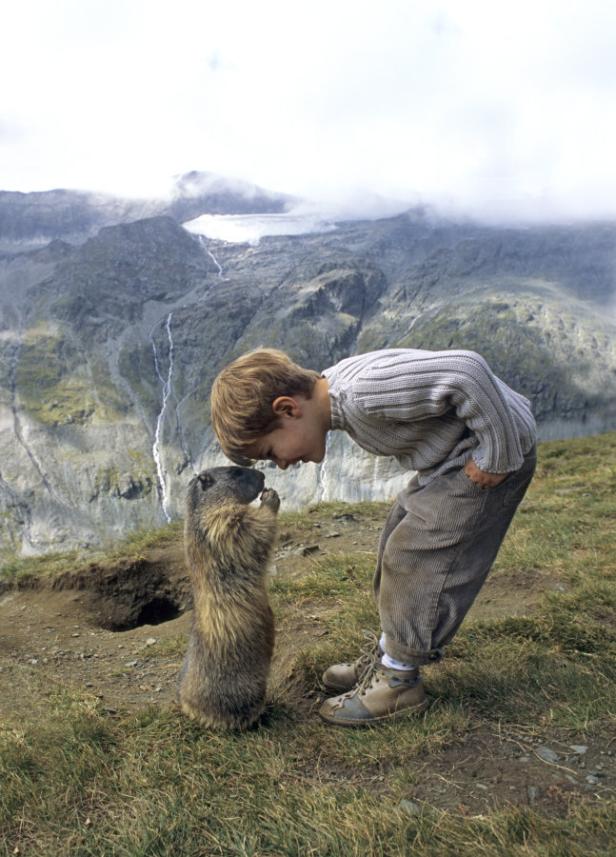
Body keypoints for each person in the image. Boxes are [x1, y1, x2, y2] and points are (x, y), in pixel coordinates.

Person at [210, 347, 537, 727]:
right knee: (394, 541)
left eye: (271, 452)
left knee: (413, 559)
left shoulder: (364, 393)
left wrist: (496, 453)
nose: (281, 464)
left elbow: (466, 369)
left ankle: (399, 680)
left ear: (288, 409)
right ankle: (388, 657)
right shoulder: (339, 395)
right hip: (451, 458)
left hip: (486, 456)